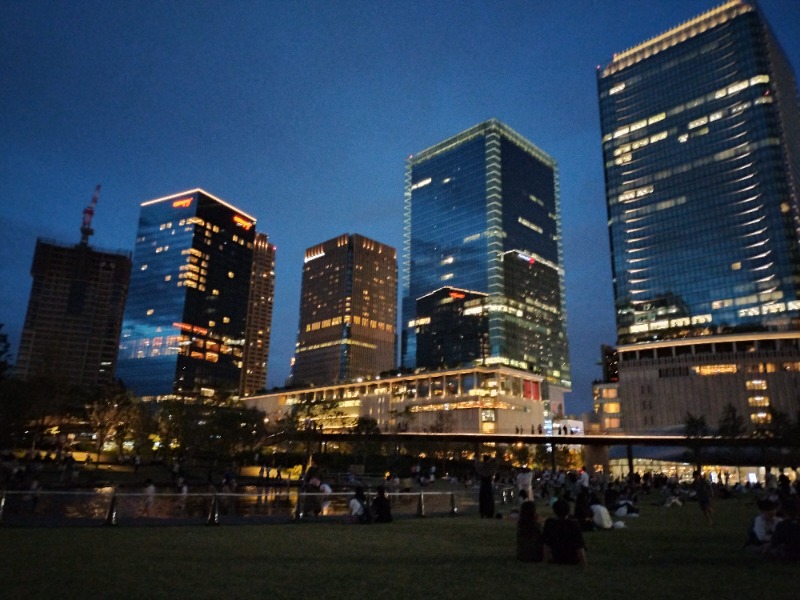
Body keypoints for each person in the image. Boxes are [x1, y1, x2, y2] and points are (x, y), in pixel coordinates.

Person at [542, 499, 587, 567]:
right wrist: (584, 563)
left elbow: (546, 545)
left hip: (557, 558)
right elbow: (579, 546)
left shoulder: (550, 524)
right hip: (572, 559)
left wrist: (545, 560)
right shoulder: (573, 525)